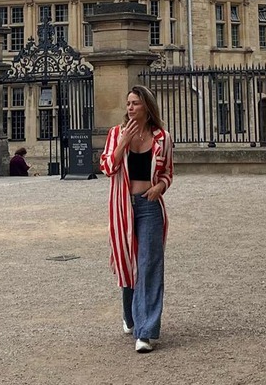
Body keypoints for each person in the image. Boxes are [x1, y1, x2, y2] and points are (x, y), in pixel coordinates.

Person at [99, 85, 174, 353]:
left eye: (135, 104)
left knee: (150, 265)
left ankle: (146, 332)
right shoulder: (116, 134)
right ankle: (131, 316)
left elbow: (167, 174)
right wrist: (121, 145)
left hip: (150, 206)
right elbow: (107, 167)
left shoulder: (162, 138)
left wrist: (160, 187)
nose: (130, 108)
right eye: (128, 103)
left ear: (147, 107)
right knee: (129, 265)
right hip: (122, 206)